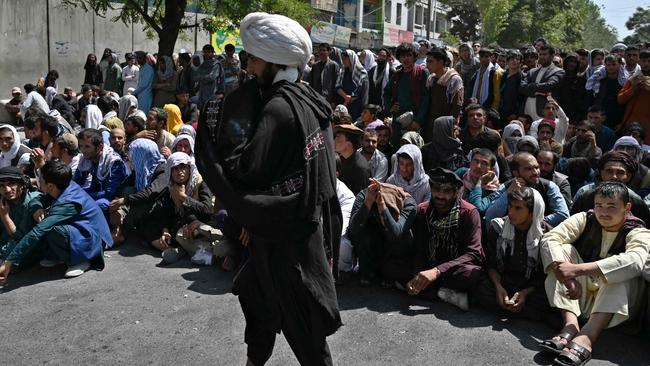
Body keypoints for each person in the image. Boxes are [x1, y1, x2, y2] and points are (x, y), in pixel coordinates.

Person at [194, 12, 342, 365]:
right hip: (292, 230)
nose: (248, 65)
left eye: (255, 59)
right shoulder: (308, 98)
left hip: (286, 244)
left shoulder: (278, 107)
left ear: (275, 63)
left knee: (306, 333)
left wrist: (216, 147)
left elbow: (248, 170)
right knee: (261, 316)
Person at [539, 182, 650, 366]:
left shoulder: (639, 231)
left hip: (615, 306)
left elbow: (635, 260)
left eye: (611, 207)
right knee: (561, 253)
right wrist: (567, 276)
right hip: (578, 293)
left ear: (627, 207)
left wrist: (578, 270)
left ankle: (587, 336)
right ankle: (570, 325)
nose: (603, 212)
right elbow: (551, 238)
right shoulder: (585, 218)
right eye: (599, 206)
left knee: (622, 271)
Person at [0, 160, 111, 284]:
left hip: (92, 240)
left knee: (49, 227)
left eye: (40, 179)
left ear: (50, 185)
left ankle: (82, 260)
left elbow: (37, 232)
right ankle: (59, 255)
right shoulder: (63, 184)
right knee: (44, 221)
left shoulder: (67, 203)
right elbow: (39, 198)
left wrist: (10, 262)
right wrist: (37, 208)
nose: (37, 181)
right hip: (80, 230)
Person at [406, 167, 484, 310]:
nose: (440, 196)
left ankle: (429, 291)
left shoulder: (469, 213)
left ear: (456, 193)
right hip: (429, 264)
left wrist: (436, 272)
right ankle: (442, 293)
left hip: (453, 268)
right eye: (437, 190)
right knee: (392, 266)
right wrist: (418, 274)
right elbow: (419, 248)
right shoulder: (422, 210)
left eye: (447, 191)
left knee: (472, 274)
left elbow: (474, 253)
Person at [473, 187, 551, 320]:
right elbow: (491, 264)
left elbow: (543, 276)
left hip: (531, 286)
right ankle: (524, 313)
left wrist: (525, 293)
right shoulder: (498, 227)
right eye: (510, 206)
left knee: (549, 296)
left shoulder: (546, 235)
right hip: (503, 281)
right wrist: (498, 287)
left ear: (533, 212)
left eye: (518, 208)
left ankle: (513, 309)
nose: (511, 212)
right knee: (478, 284)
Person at [348, 179, 417, 286]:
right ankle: (368, 271)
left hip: (393, 254)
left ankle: (390, 275)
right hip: (372, 248)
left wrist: (382, 205)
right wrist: (369, 201)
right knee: (360, 228)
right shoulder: (364, 195)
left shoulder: (408, 203)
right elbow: (353, 229)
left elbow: (396, 233)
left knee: (402, 235)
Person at [485, 152, 569, 228]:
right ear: (516, 173)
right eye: (529, 169)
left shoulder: (549, 186)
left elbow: (563, 214)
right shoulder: (506, 187)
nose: (536, 172)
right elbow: (490, 216)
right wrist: (508, 192)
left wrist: (531, 223)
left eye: (536, 167)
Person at [571, 150, 650, 226]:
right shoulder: (585, 196)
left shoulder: (636, 202)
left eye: (620, 172)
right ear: (601, 173)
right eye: (609, 171)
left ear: (628, 176)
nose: (614, 177)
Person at [384, 42, 430, 146]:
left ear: (414, 57)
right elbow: (386, 93)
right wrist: (390, 106)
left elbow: (426, 99)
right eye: (402, 56)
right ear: (399, 58)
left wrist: (418, 121)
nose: (406, 59)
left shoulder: (422, 73)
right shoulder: (397, 75)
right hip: (398, 121)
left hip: (416, 120)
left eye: (409, 55)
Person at [424, 48, 463, 142]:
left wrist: (452, 125)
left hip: (445, 125)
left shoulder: (453, 79)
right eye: (427, 61)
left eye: (430, 61)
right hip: (430, 124)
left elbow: (457, 106)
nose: (427, 64)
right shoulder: (431, 78)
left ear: (441, 62)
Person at [520, 45, 565, 121]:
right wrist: (535, 93)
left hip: (543, 112)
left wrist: (531, 86)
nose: (541, 57)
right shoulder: (532, 72)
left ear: (552, 56)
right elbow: (522, 87)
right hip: (526, 112)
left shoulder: (558, 71)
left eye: (544, 54)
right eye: (540, 54)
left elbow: (550, 85)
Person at [455, 148, 500, 217]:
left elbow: (478, 208)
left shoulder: (492, 189)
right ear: (470, 163)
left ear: (491, 169)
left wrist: (479, 182)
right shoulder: (462, 173)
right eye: (475, 161)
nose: (478, 166)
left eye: (484, 163)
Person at [586, 54, 627, 130]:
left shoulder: (624, 82)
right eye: (608, 65)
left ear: (620, 65)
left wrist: (622, 122)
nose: (611, 67)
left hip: (617, 117)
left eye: (614, 64)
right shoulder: (599, 81)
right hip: (599, 118)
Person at [618, 49, 650, 142]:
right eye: (644, 61)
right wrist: (633, 88)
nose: (646, 64)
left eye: (649, 61)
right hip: (633, 124)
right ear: (639, 62)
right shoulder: (633, 78)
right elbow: (620, 99)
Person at [334, 124, 371, 195]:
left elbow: (360, 199)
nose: (334, 140)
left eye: (338, 137)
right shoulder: (340, 158)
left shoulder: (361, 168)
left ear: (348, 144)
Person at [336, 50, 369, 120]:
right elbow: (337, 86)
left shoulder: (362, 73)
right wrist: (345, 97)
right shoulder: (343, 71)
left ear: (351, 58)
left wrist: (349, 99)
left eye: (345, 59)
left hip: (355, 106)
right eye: (342, 59)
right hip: (343, 103)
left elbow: (361, 91)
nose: (343, 61)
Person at [555, 52, 587, 124]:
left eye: (575, 62)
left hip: (576, 115)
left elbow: (584, 100)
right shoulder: (559, 78)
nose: (572, 64)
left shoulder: (581, 80)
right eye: (570, 61)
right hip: (560, 113)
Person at [196, 44, 224, 110]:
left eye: (209, 52)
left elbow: (211, 77)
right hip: (202, 92)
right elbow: (196, 76)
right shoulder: (202, 64)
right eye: (205, 52)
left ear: (212, 53)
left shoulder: (216, 64)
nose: (207, 54)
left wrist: (200, 77)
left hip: (213, 92)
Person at [500, 50, 525, 123]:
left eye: (517, 59)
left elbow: (523, 99)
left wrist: (516, 114)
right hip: (501, 111)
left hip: (513, 114)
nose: (514, 61)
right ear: (507, 61)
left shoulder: (522, 77)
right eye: (511, 59)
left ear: (520, 62)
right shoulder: (503, 75)